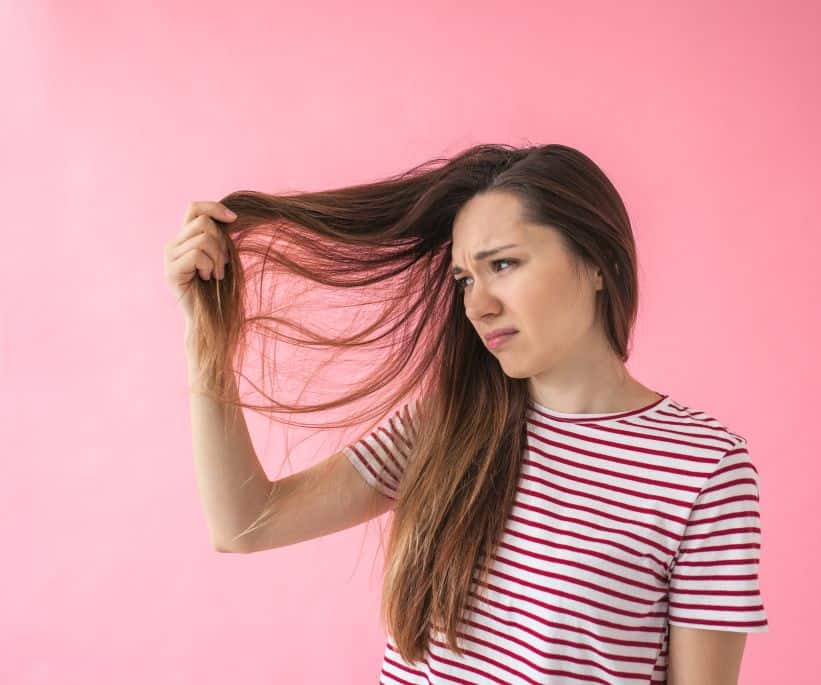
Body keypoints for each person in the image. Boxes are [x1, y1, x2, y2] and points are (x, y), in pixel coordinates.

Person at [164, 144, 769, 684]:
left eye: (503, 264)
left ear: (596, 262)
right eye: (463, 279)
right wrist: (206, 337)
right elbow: (245, 523)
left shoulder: (703, 469)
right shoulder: (446, 426)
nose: (477, 304)